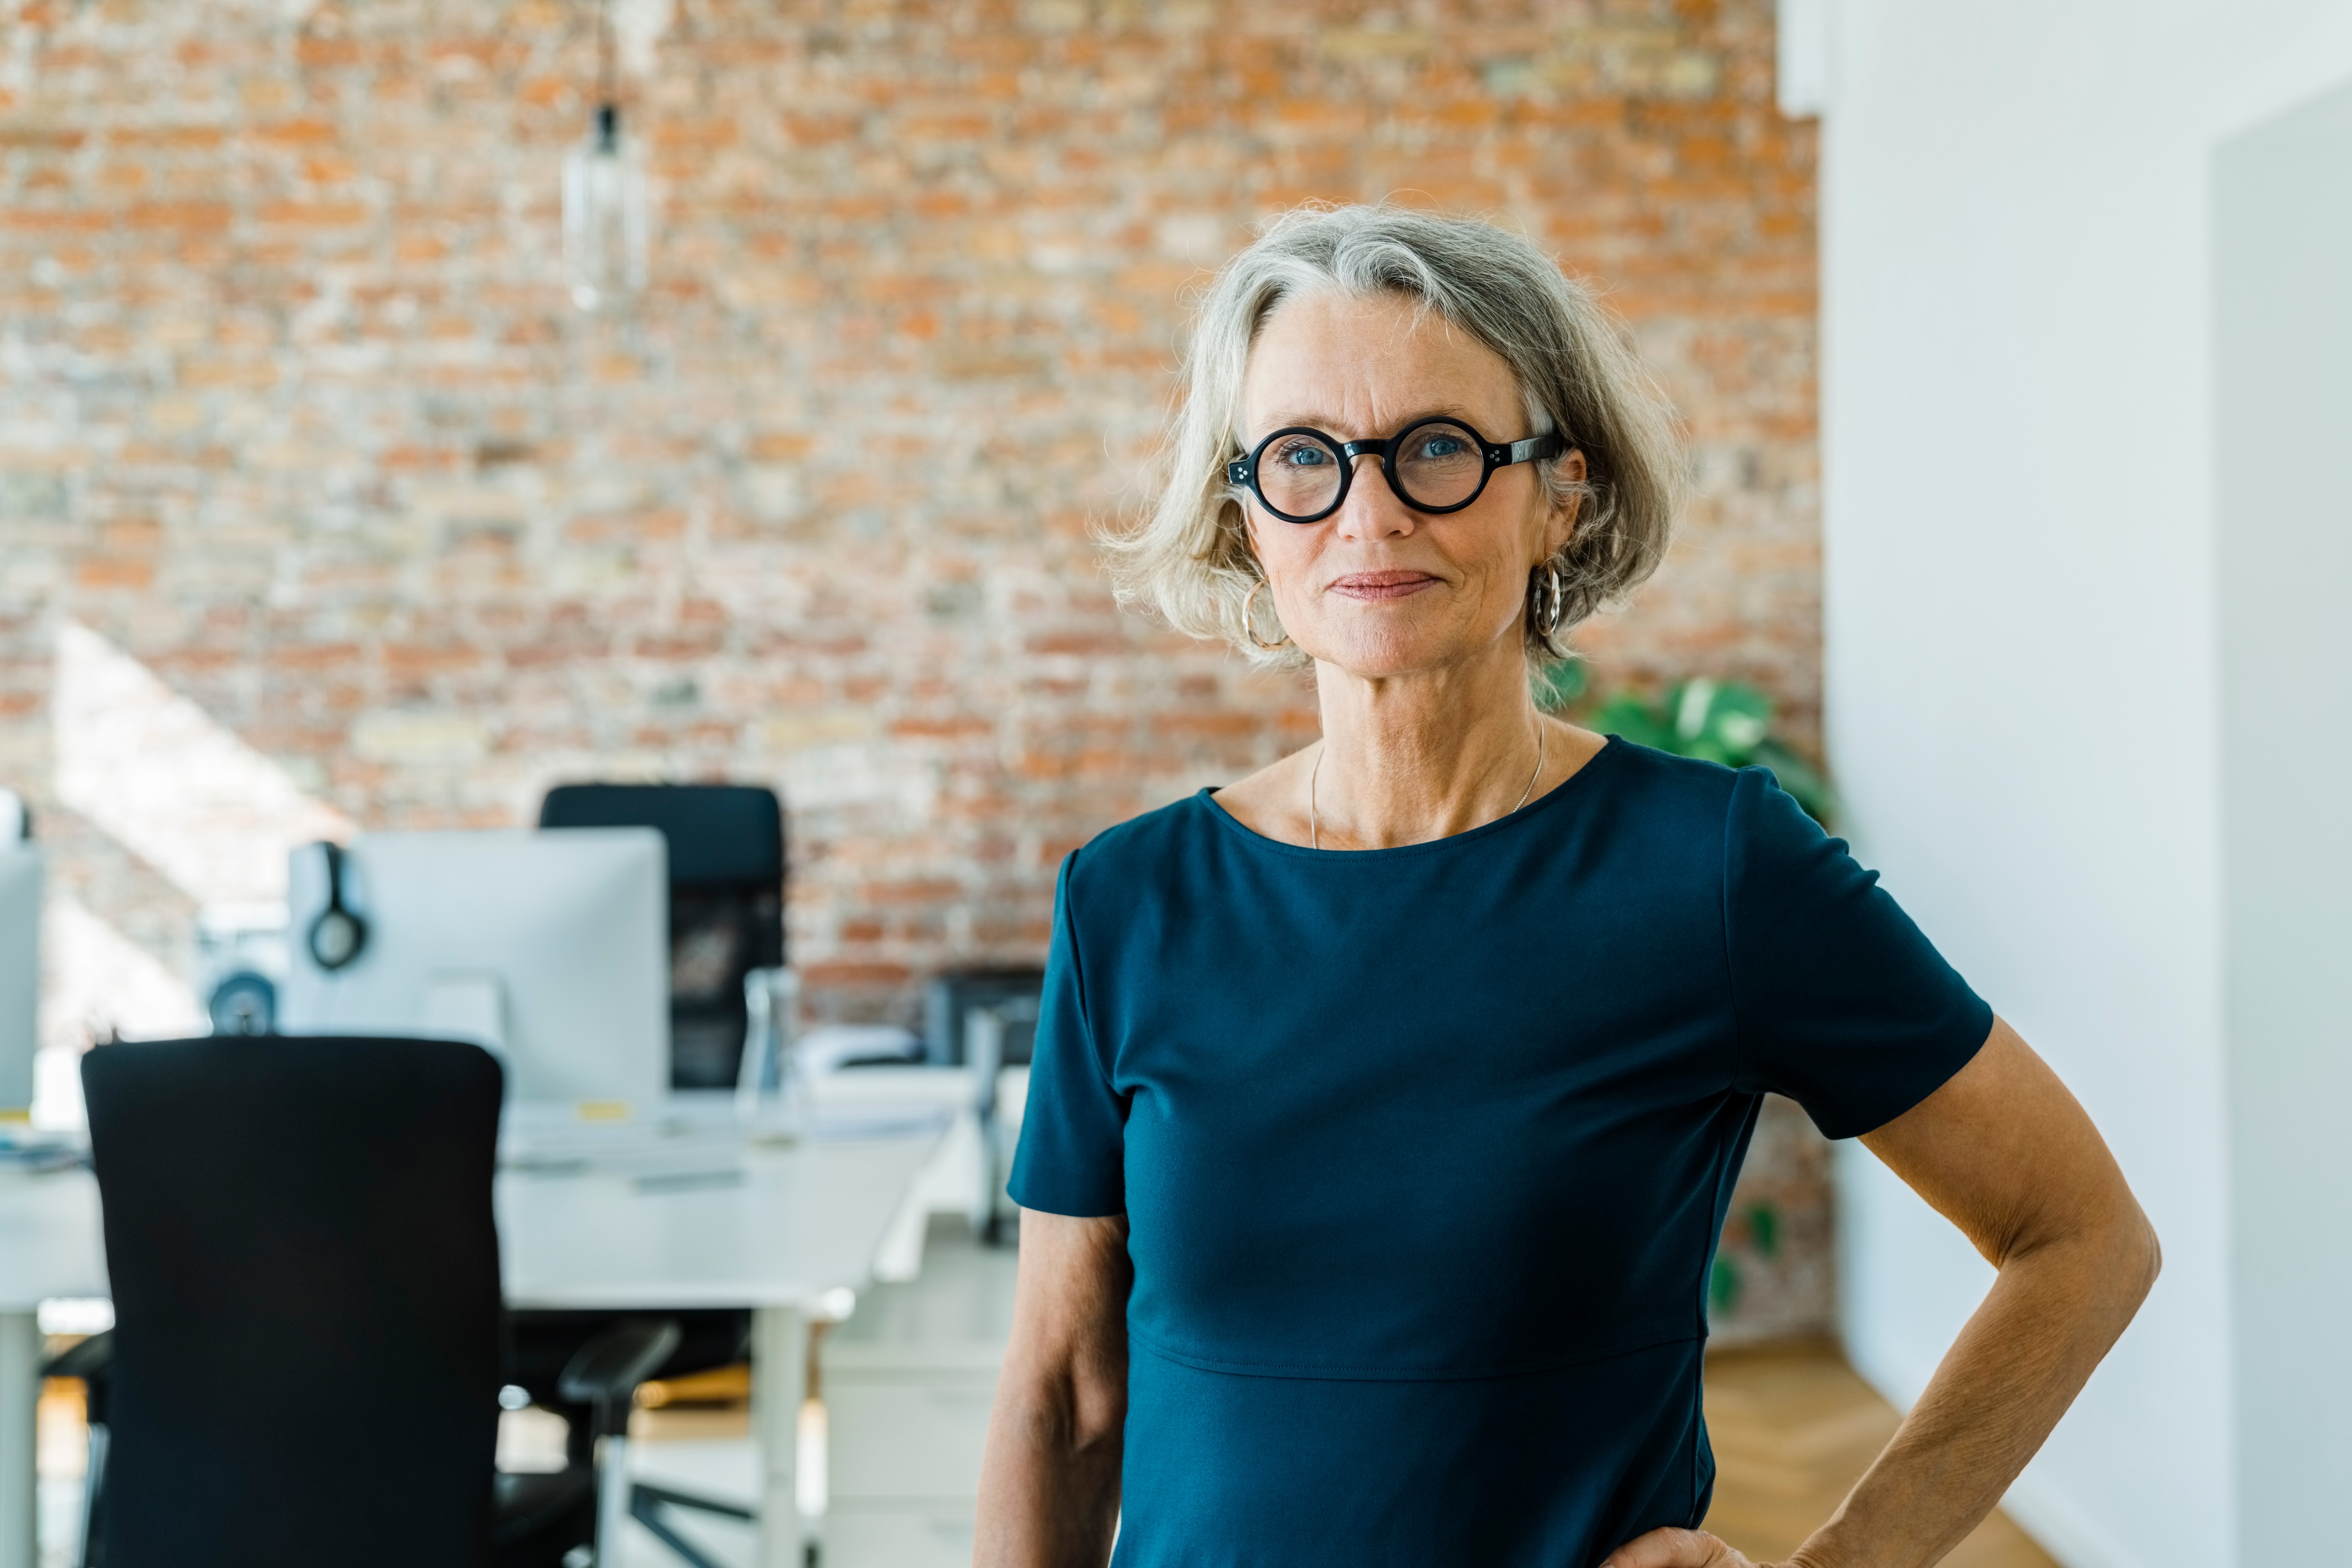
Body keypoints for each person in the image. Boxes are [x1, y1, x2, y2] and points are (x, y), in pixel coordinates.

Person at [974, 205, 2157, 1568]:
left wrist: (1848, 1563)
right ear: (1246, 515)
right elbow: (1061, 1398)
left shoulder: (1711, 869)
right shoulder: (1131, 902)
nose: (1370, 513)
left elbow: (2081, 1237)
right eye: (1303, 457)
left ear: (1561, 494)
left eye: (1439, 449)